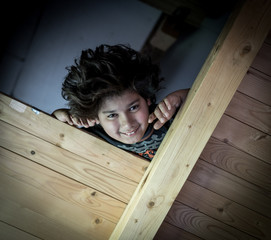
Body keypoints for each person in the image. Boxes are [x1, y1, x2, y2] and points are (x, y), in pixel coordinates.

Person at [52, 44, 189, 160]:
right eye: (112, 115)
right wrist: (56, 118)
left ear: (147, 98)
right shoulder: (93, 136)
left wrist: (184, 97)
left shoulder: (167, 116)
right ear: (95, 117)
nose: (127, 123)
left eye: (134, 107)